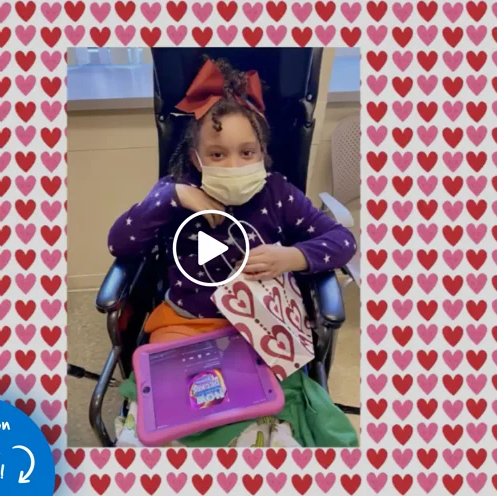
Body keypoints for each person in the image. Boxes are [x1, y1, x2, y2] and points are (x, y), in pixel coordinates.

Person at [109, 57, 358, 447]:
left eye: (247, 152)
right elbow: (118, 243)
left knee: (272, 427)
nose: (234, 164)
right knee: (167, 423)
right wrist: (173, 197)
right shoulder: (174, 193)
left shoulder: (278, 194)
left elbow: (343, 241)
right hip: (184, 326)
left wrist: (291, 257)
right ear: (196, 158)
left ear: (263, 152)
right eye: (218, 154)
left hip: (260, 330)